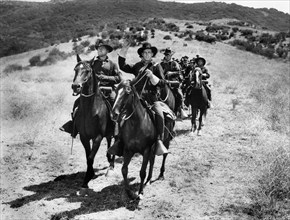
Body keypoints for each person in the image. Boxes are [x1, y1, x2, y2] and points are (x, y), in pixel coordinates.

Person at [108, 41, 170, 157]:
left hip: (151, 98)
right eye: (145, 52)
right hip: (136, 97)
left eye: (149, 52)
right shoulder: (137, 66)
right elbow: (123, 66)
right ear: (141, 54)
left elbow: (163, 83)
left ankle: (158, 140)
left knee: (160, 115)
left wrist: (152, 76)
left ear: (152, 54)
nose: (147, 54)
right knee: (121, 114)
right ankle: (119, 141)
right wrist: (123, 51)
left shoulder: (156, 66)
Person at [60, 39, 122, 137]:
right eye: (99, 48)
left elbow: (119, 78)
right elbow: (83, 72)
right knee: (77, 104)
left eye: (102, 49)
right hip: (94, 91)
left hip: (108, 90)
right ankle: (74, 126)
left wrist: (106, 77)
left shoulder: (112, 64)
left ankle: (115, 129)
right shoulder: (92, 63)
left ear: (107, 51)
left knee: (115, 105)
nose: (100, 50)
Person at [160, 47, 188, 118]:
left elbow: (179, 72)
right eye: (166, 55)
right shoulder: (161, 64)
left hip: (173, 81)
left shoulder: (174, 63)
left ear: (171, 55)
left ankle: (181, 108)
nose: (167, 56)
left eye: (168, 55)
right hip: (164, 81)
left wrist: (171, 73)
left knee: (179, 94)